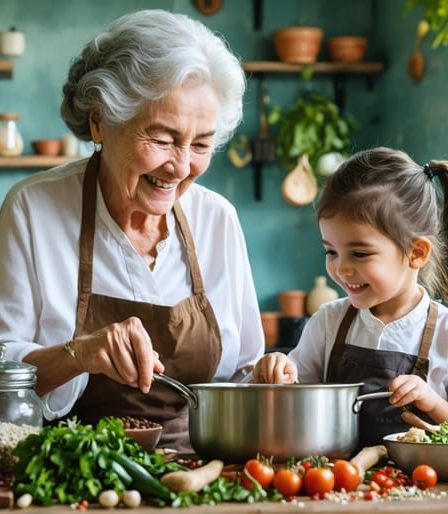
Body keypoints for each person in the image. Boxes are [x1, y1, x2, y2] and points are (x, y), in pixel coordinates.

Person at [0, 9, 264, 450]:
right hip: (69, 471)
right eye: (161, 139)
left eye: (200, 144)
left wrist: (272, 374)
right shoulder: (33, 209)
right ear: (100, 121)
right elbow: (4, 373)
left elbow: (246, 374)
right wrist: (79, 354)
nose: (180, 167)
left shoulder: (217, 220)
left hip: (201, 476)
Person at [253, 147, 448, 446]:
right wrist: (278, 370)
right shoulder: (328, 322)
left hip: (421, 486)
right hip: (332, 484)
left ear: (416, 253)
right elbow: (290, 395)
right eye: (331, 251)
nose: (341, 268)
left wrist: (431, 401)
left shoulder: (444, 333)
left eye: (359, 253)